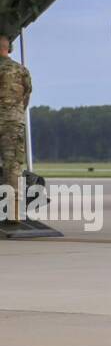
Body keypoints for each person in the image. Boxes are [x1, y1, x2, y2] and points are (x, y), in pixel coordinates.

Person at [0, 33, 31, 225]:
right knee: (13, 168)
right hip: (13, 124)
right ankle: (13, 213)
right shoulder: (21, 71)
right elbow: (26, 96)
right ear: (8, 48)